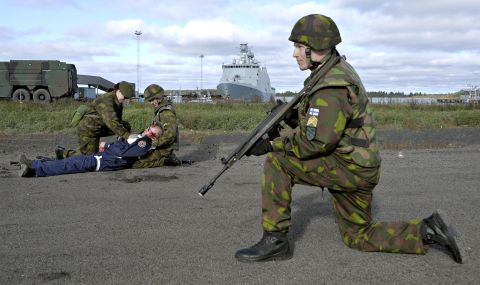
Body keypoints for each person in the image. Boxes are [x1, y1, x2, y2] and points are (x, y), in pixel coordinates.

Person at [234, 14, 464, 264]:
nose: (295, 54)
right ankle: (427, 231)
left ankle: (275, 242)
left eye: (299, 47)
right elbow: (326, 127)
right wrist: (294, 119)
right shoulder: (333, 70)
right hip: (356, 165)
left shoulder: (331, 86)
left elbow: (316, 143)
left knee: (278, 162)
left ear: (316, 48)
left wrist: (270, 145)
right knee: (358, 236)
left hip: (348, 167)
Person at [19, 124, 162, 177]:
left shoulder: (145, 143)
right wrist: (107, 146)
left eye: (153, 134)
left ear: (154, 138)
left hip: (101, 162)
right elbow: (121, 147)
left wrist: (109, 147)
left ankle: (33, 168)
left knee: (68, 165)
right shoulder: (135, 137)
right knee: (70, 162)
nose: (149, 133)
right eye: (149, 129)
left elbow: (123, 153)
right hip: (100, 157)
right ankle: (33, 164)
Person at [57, 81, 135, 158]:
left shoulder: (118, 102)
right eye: (124, 97)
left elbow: (118, 121)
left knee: (125, 125)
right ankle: (63, 153)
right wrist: (127, 136)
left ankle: (122, 148)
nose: (125, 100)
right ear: (118, 91)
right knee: (90, 159)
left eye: (127, 98)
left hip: (101, 127)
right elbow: (112, 122)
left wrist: (124, 137)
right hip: (88, 130)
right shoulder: (107, 99)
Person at [131, 83, 181, 168]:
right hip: (160, 146)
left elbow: (170, 135)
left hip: (164, 149)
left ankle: (165, 161)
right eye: (150, 100)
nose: (151, 103)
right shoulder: (161, 110)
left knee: (135, 163)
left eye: (152, 100)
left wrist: (151, 143)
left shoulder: (166, 112)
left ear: (158, 98)